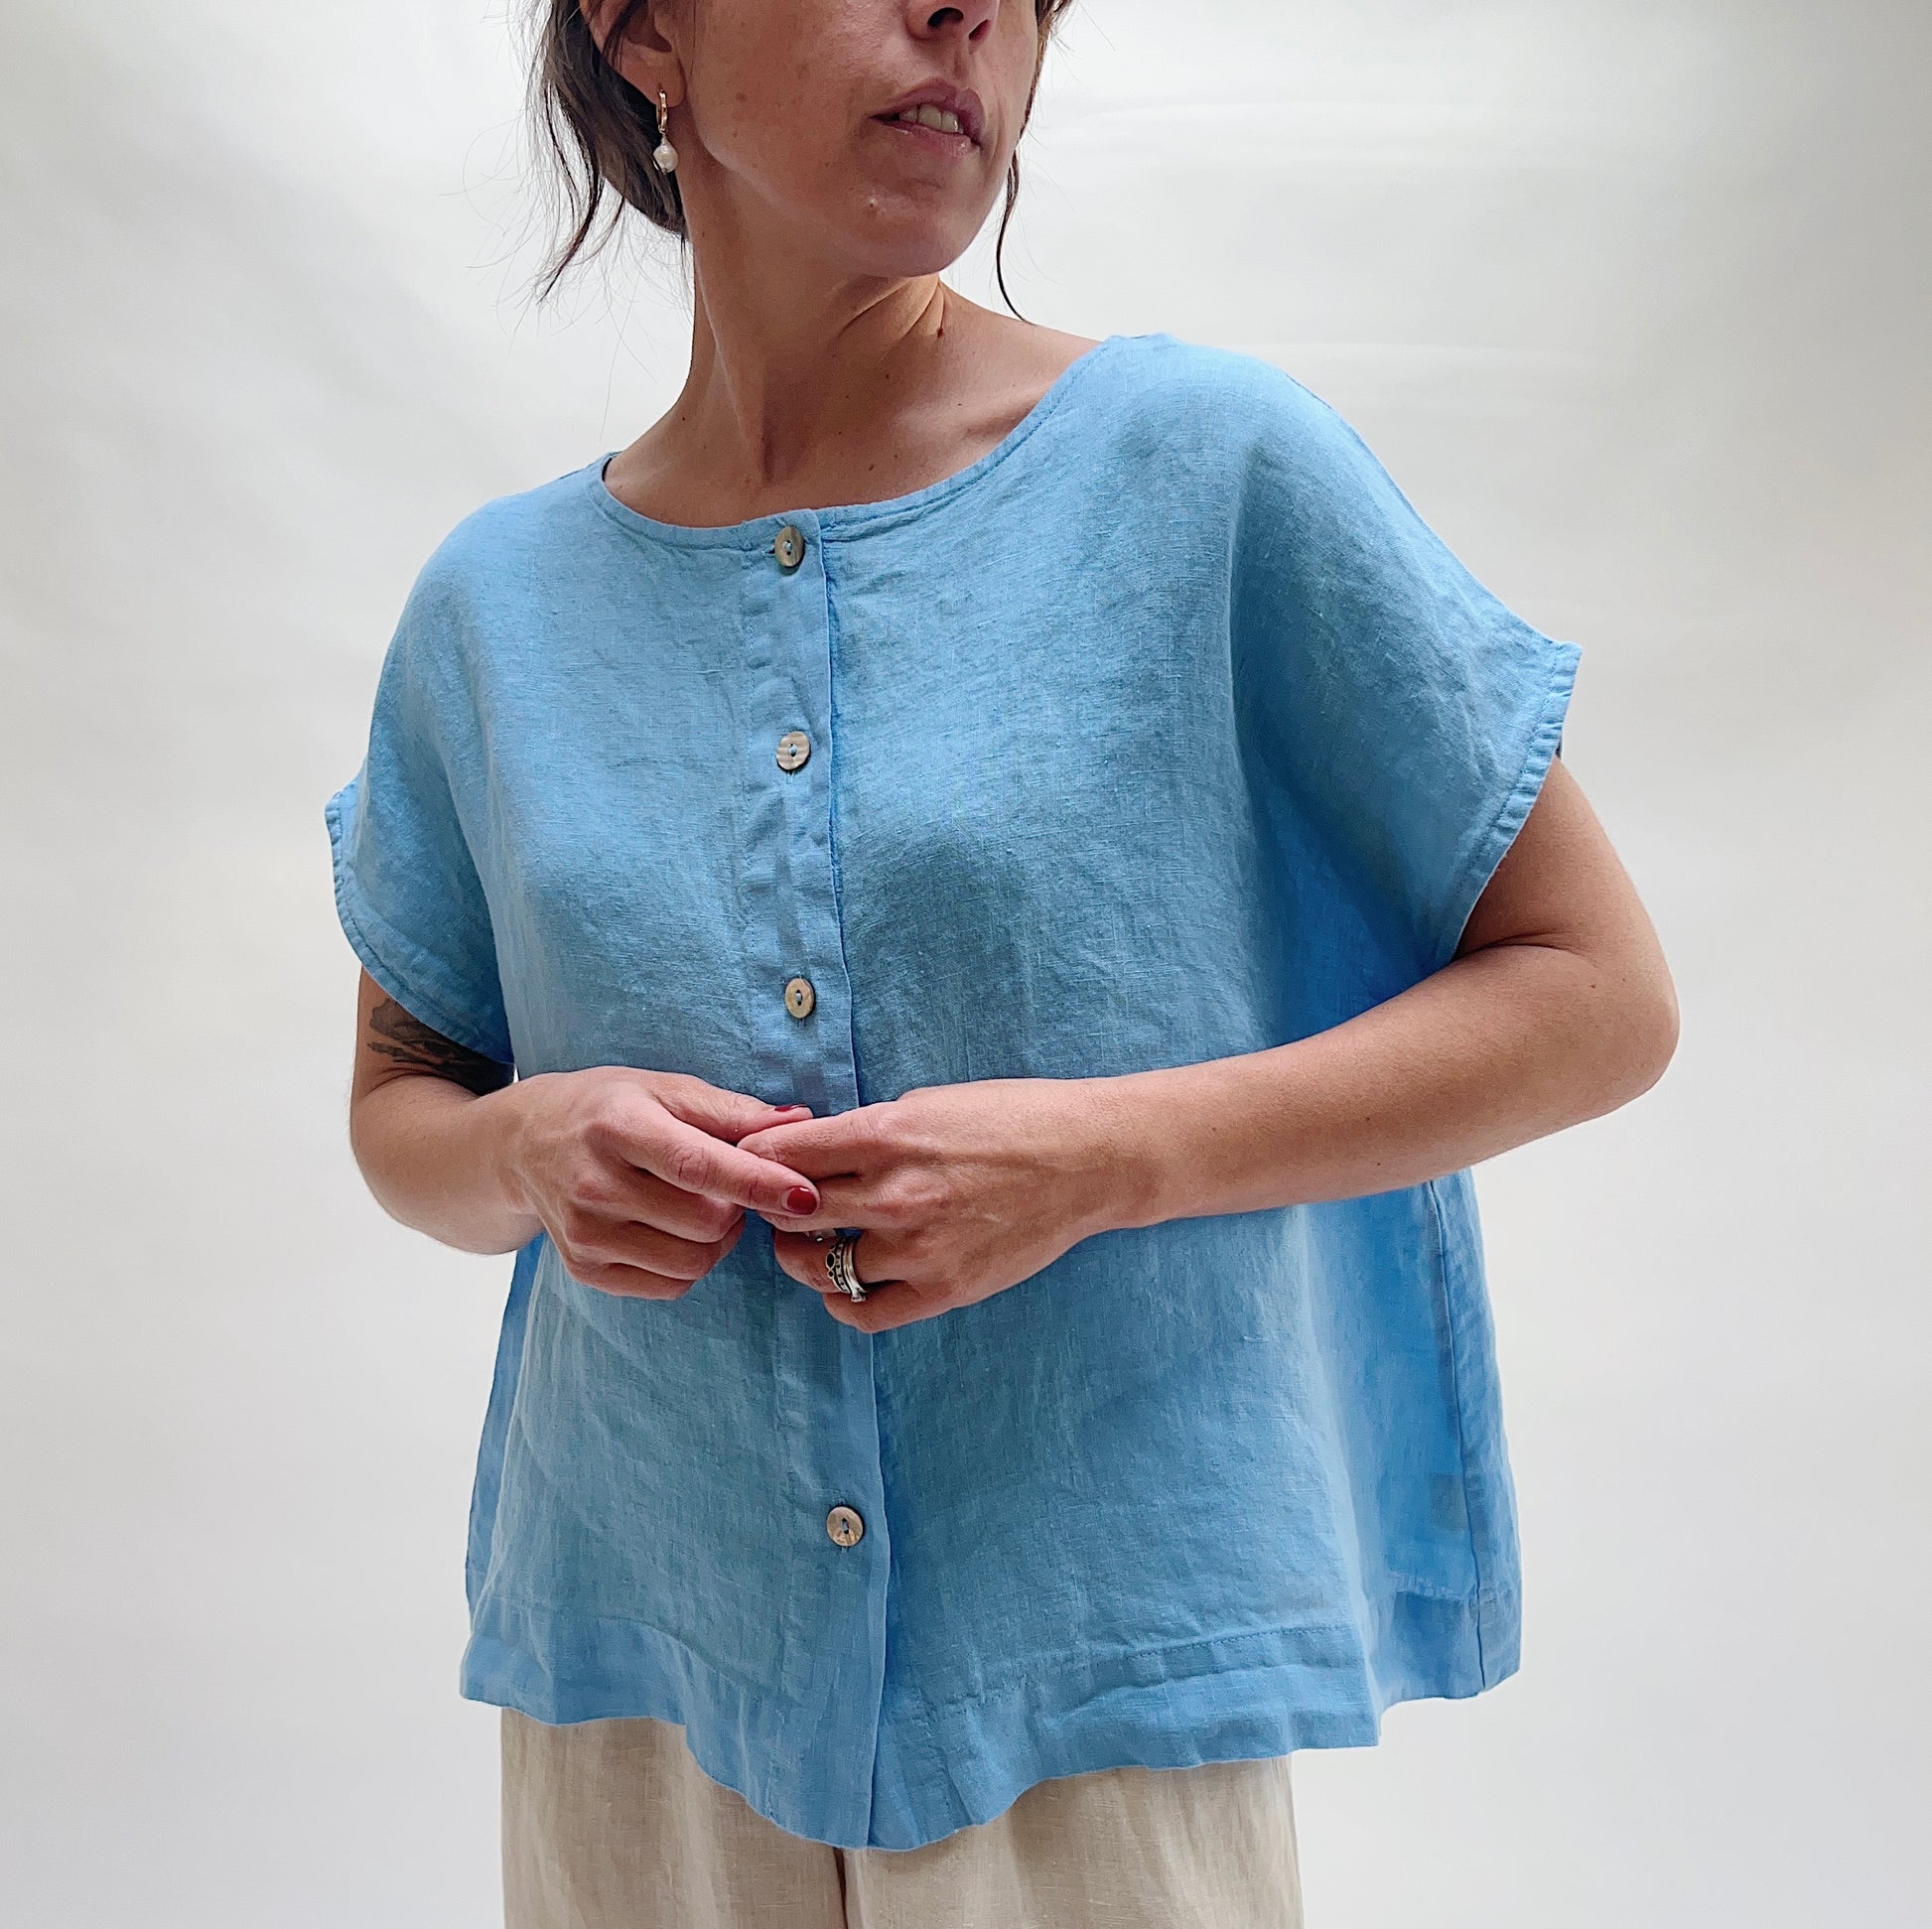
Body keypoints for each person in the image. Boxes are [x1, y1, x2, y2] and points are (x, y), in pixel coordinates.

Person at [326, 0, 1679, 1921]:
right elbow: (406, 1110)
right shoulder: (496, 605)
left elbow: (1598, 996)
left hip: (1089, 1669)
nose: (969, 13)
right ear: (642, 33)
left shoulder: (1209, 468)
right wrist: (525, 1151)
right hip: (642, 1664)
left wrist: (1106, 1159)